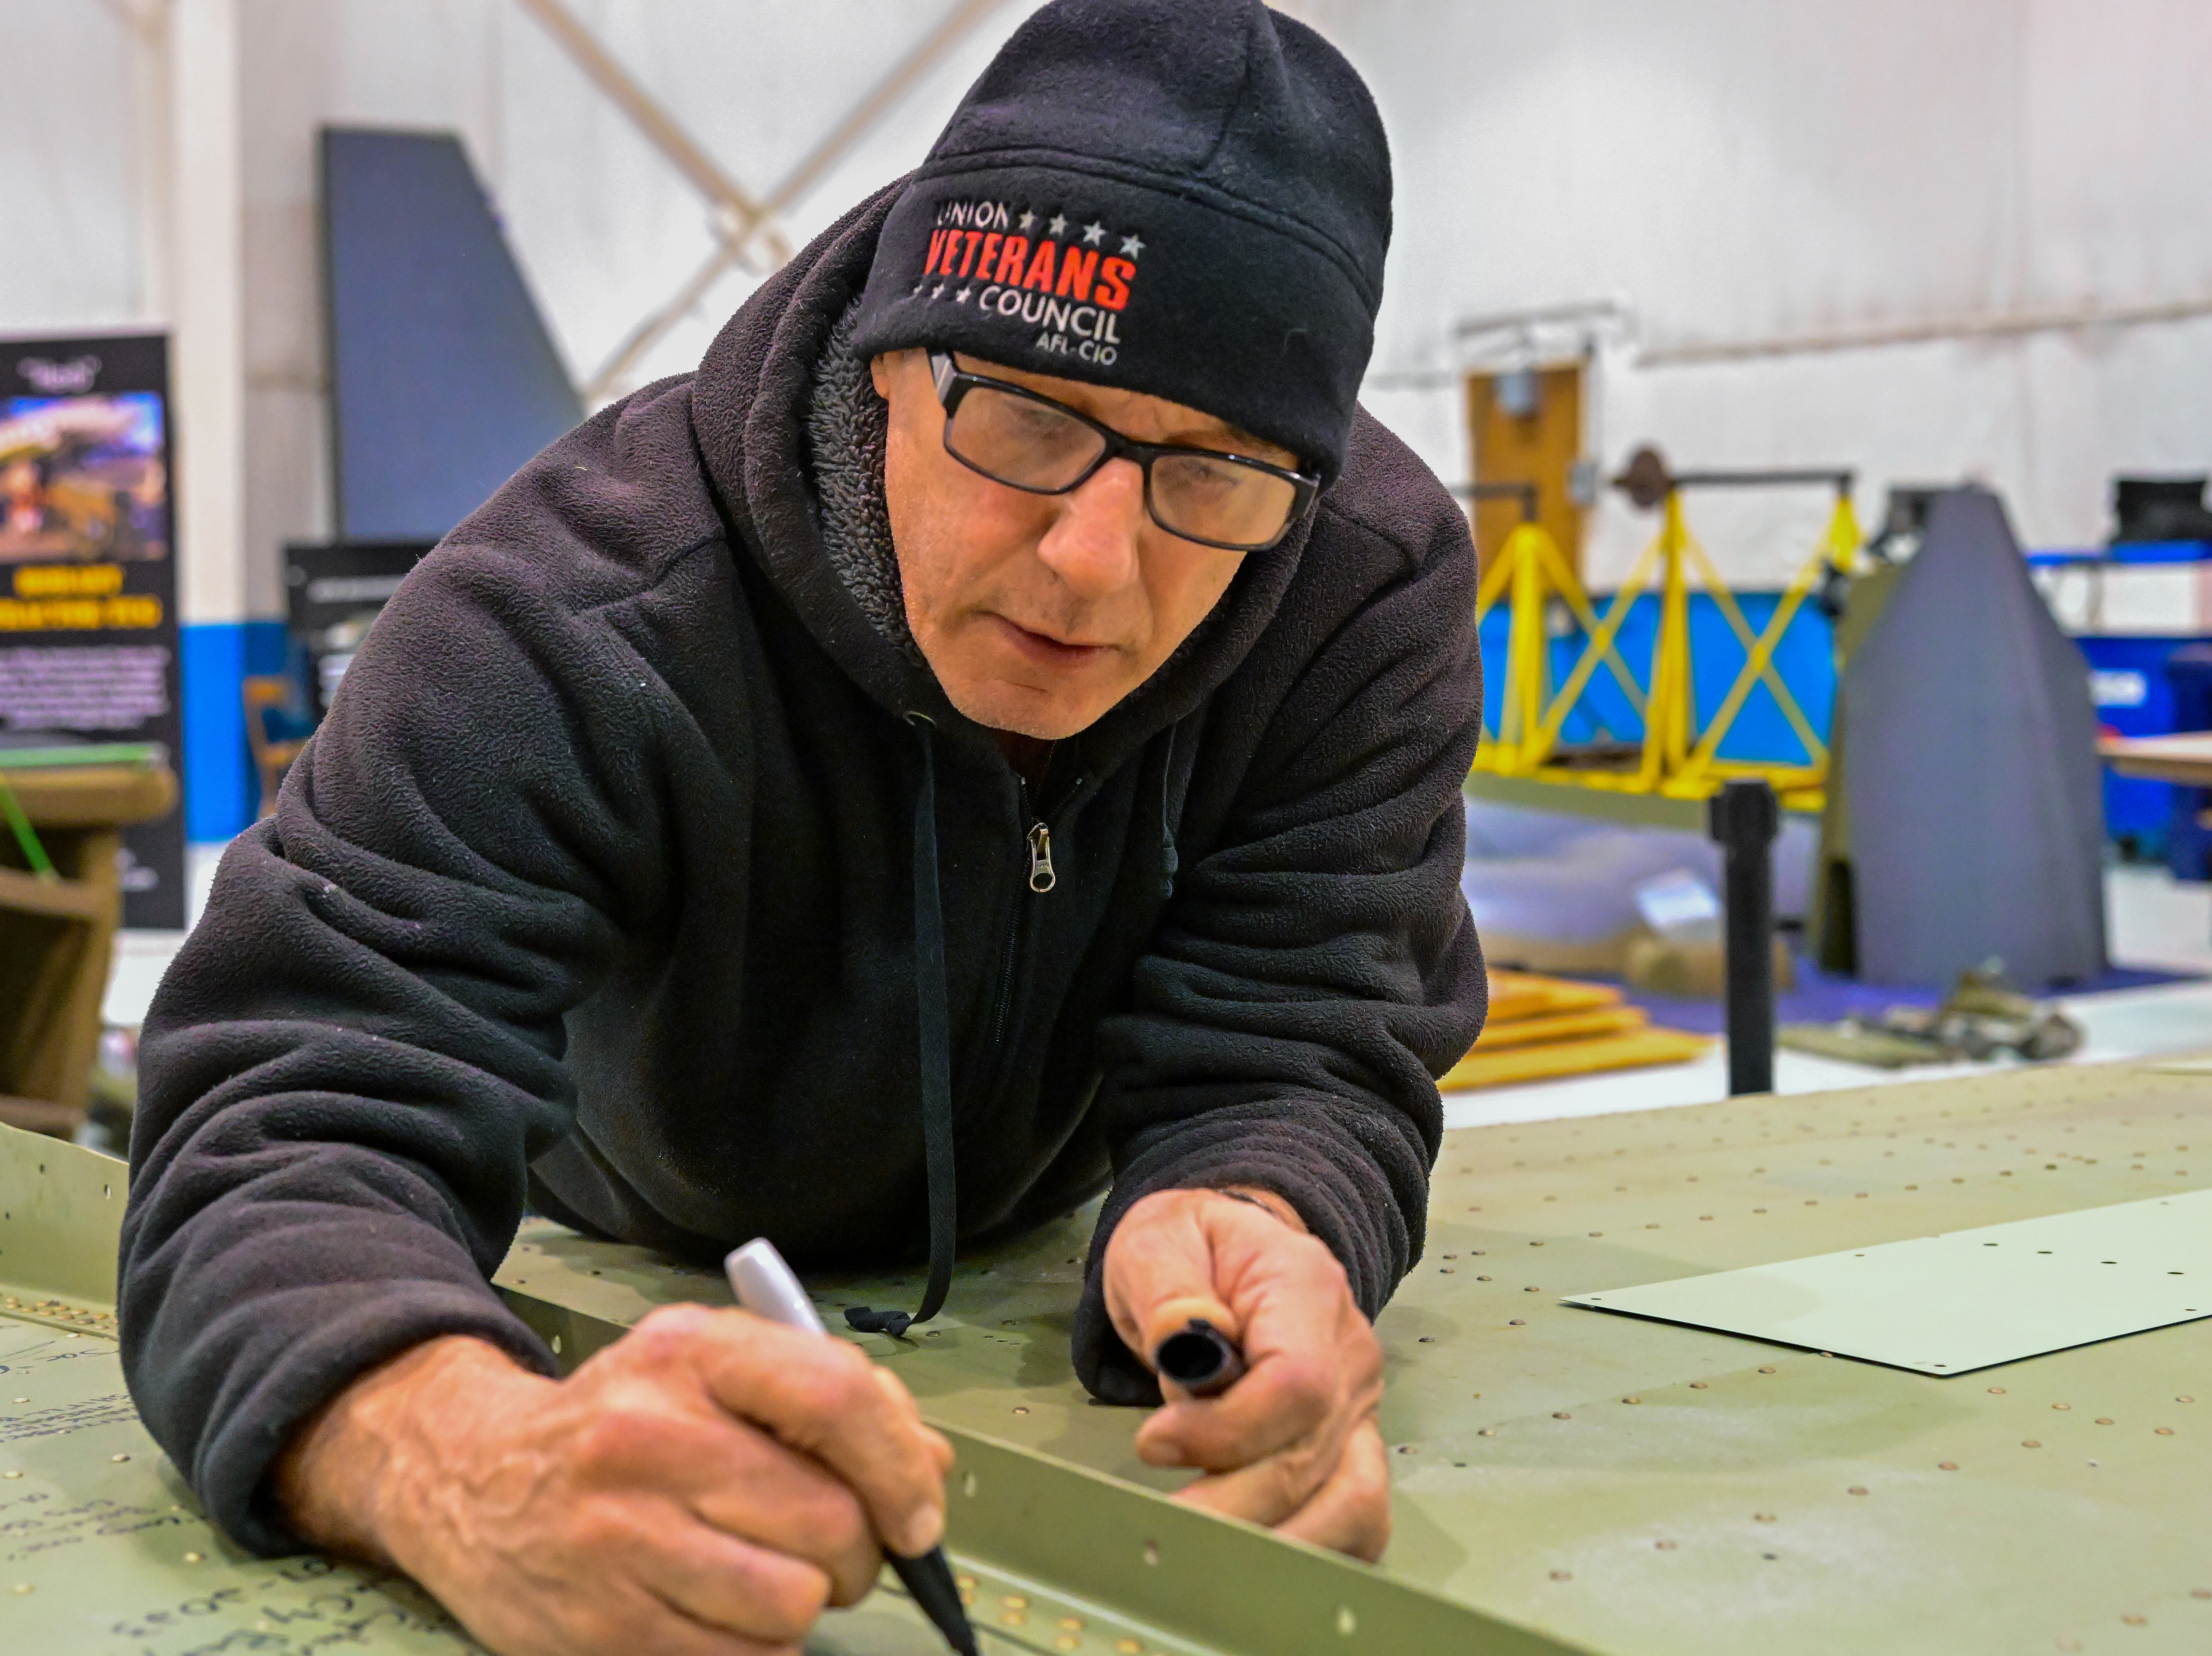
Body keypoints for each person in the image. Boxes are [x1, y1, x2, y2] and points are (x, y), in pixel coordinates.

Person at [119, 2, 1484, 1650]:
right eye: (1029, 423)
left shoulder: (1357, 588)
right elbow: (287, 1104)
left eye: (1211, 476)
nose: (1091, 563)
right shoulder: (571, 610)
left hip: (1049, 1257)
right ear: (891, 366)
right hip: (620, 1246)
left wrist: (1257, 1205)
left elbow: (1310, 1031)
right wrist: (449, 1448)